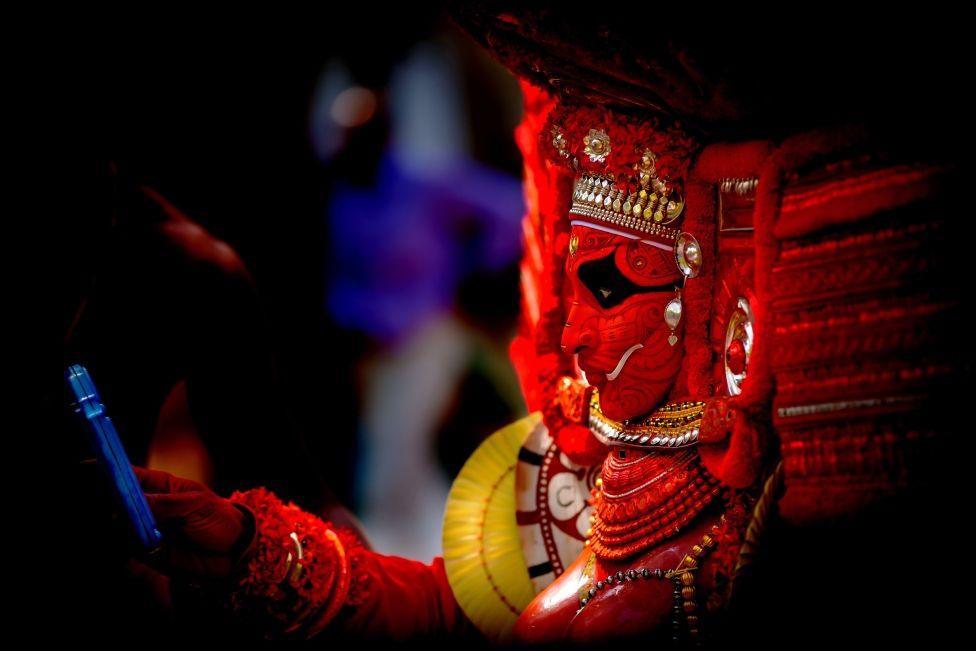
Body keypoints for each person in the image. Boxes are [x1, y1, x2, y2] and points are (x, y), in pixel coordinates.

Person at [102, 7, 967, 645]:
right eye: (569, 281)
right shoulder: (577, 482)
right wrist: (256, 549)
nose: (575, 336)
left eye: (609, 283)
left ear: (713, 291)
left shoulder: (790, 517)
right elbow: (455, 616)